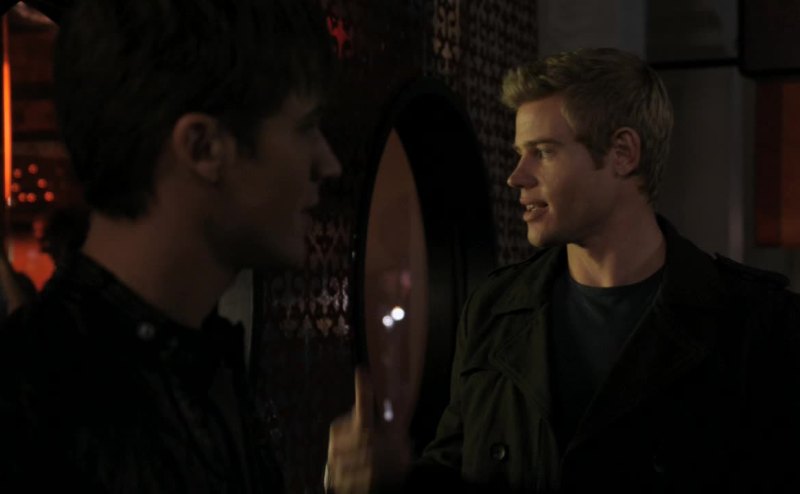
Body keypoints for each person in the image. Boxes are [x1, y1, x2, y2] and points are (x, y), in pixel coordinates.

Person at [326, 48, 800, 493]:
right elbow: (457, 469)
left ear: (623, 153)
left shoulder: (756, 323)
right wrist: (393, 478)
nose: (517, 176)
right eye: (520, 153)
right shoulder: (494, 310)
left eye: (543, 151)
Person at [0, 0, 340, 492]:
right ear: (203, 147)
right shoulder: (36, 408)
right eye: (305, 128)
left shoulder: (204, 367)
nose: (329, 164)